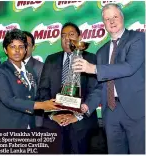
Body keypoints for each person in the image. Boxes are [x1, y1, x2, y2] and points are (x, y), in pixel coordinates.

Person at [72, 3, 145, 154]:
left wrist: (93, 68)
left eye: (115, 17)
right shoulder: (101, 52)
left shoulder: (138, 38)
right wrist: (87, 105)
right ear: (103, 23)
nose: (111, 21)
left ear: (122, 18)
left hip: (135, 110)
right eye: (107, 19)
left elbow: (129, 67)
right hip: (110, 112)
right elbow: (102, 86)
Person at [37, 22, 98, 154]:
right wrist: (53, 115)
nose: (67, 39)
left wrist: (77, 116)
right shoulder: (51, 59)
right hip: (54, 121)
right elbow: (43, 90)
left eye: (71, 35)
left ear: (79, 37)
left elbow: (95, 91)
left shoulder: (91, 59)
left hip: (81, 122)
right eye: (63, 35)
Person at [0, 29, 60, 129]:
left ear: (26, 49)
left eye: (21, 47)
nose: (17, 50)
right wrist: (42, 105)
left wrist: (57, 103)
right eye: (12, 47)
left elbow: (34, 96)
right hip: (7, 126)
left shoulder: (30, 71)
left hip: (28, 125)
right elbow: (9, 100)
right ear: (5, 50)